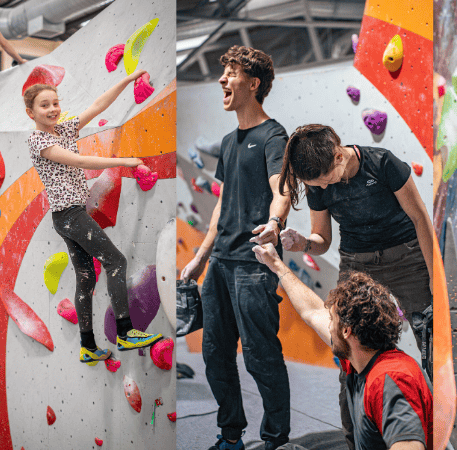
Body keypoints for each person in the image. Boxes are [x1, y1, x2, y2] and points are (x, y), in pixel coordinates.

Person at [277, 124, 433, 449]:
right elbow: (322, 240)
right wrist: (303, 242)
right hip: (356, 259)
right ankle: (355, 440)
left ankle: (435, 425)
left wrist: (434, 276)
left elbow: (420, 218)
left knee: (429, 333)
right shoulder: (318, 184)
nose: (320, 186)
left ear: (338, 155)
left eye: (324, 178)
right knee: (345, 346)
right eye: (314, 184)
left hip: (404, 253)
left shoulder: (384, 164)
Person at [180, 46, 292, 450]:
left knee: (261, 357)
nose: (222, 80)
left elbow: (282, 188)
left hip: (253, 264)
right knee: (215, 355)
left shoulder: (273, 135)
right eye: (223, 72)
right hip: (221, 265)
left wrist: (276, 224)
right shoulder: (229, 142)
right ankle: (231, 436)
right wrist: (200, 256)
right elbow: (221, 207)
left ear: (254, 83)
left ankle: (276, 440)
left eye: (231, 73)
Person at [24, 71, 164, 365]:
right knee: (116, 261)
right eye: (44, 105)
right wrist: (125, 161)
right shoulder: (38, 140)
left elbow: (98, 106)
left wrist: (127, 81)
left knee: (86, 278)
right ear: (31, 112)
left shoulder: (63, 130)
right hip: (69, 215)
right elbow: (80, 161)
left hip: (69, 216)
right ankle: (126, 331)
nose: (52, 110)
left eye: (55, 103)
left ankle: (88, 346)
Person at [251, 243, 432, 450]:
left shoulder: (390, 380)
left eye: (332, 320)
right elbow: (312, 311)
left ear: (347, 331)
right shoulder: (361, 354)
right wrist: (277, 265)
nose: (328, 324)